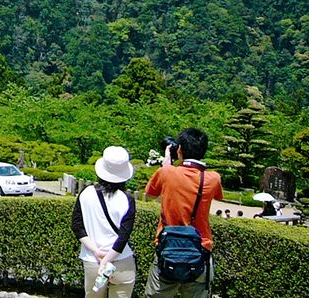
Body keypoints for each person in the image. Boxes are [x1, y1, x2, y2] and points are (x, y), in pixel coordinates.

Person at [144, 128, 224, 298]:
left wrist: (167, 162)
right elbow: (217, 196)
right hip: (200, 249)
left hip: (168, 249)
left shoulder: (166, 172)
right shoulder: (213, 178)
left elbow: (150, 195)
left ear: (179, 150)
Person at [71, 146, 138, 297]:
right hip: (122, 262)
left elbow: (77, 226)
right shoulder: (127, 200)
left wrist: (96, 252)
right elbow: (123, 237)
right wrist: (108, 259)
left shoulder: (86, 193)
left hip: (92, 260)